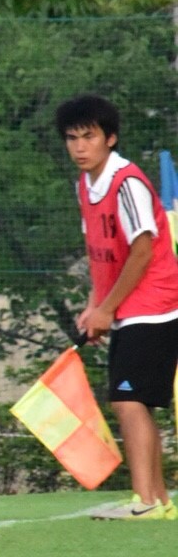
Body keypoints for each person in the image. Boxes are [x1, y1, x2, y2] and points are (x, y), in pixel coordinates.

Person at [59, 94, 178, 521]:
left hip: (156, 304)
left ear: (110, 138)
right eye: (72, 138)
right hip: (128, 307)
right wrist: (94, 305)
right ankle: (158, 502)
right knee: (133, 401)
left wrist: (107, 309)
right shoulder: (84, 186)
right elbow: (101, 254)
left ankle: (144, 501)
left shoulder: (126, 182)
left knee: (128, 401)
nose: (79, 147)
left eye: (89, 137)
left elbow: (142, 251)